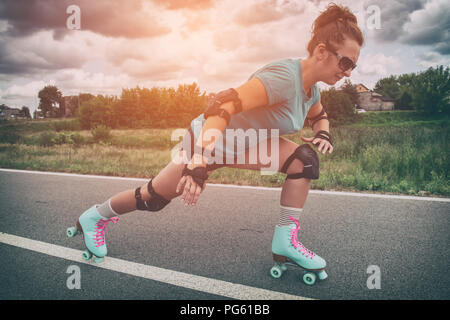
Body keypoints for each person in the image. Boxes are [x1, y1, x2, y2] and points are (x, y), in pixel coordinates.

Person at [69, 3, 364, 283]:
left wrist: (323, 132)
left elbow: (319, 114)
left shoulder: (311, 90)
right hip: (208, 140)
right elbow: (222, 105)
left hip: (246, 144)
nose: (349, 72)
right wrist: (198, 160)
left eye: (353, 65)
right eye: (346, 62)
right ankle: (95, 216)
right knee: (152, 198)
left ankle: (285, 242)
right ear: (323, 51)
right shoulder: (283, 77)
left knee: (305, 160)